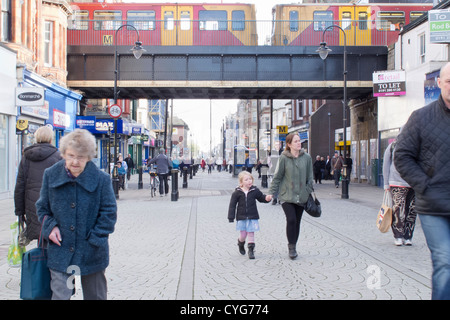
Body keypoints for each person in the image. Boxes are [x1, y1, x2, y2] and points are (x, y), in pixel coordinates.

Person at [36, 129, 117, 300]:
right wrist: (50, 228)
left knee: (95, 296)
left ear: (88, 157)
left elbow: (109, 214)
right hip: (60, 249)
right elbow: (42, 208)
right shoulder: (50, 175)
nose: (74, 162)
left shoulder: (102, 179)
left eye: (80, 157)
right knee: (60, 296)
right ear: (64, 154)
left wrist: (95, 239)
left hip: (92, 251)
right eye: (71, 155)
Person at [394, 62, 450, 300]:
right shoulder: (421, 118)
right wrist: (424, 186)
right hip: (434, 206)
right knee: (445, 260)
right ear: (439, 83)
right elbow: (402, 155)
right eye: (449, 81)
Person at [268, 133, 314, 259]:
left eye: (299, 141)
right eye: (296, 141)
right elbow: (277, 177)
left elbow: (310, 178)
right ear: (289, 144)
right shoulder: (284, 158)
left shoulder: (307, 158)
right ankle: (291, 247)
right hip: (286, 195)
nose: (299, 143)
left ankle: (294, 246)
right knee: (291, 219)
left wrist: (306, 191)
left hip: (301, 196)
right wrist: (271, 192)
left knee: (297, 222)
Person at [14, 126, 62, 244]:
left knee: (39, 235)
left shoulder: (27, 157)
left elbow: (20, 185)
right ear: (51, 139)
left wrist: (19, 211)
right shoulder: (58, 156)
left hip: (31, 204)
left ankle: (39, 261)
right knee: (50, 234)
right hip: (51, 202)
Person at [228, 171, 272, 259]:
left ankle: (251, 250)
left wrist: (267, 198)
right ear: (241, 183)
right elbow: (232, 205)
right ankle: (240, 243)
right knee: (243, 234)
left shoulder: (254, 190)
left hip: (252, 216)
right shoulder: (237, 193)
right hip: (241, 217)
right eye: (246, 180)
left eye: (250, 179)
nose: (249, 181)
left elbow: (261, 197)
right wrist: (231, 217)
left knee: (251, 233)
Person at [382, 139, 416, 246]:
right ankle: (398, 235)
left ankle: (408, 236)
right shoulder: (393, 145)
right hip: (397, 182)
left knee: (412, 210)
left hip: (414, 183)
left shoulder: (417, 144)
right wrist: (386, 183)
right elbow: (386, 164)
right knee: (398, 210)